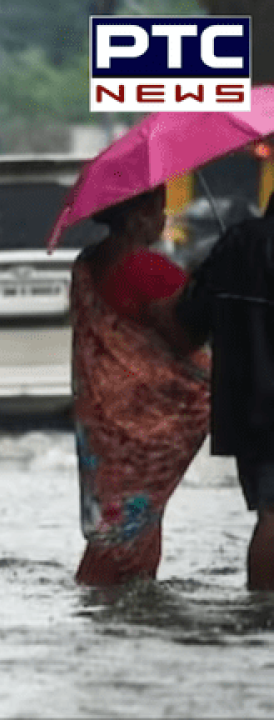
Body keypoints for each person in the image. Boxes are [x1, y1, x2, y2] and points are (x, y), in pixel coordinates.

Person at [68, 185, 211, 586]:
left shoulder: (87, 262)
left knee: (120, 518)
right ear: (135, 215)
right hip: (147, 419)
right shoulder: (145, 269)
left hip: (104, 418)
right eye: (157, 210)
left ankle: (108, 599)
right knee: (133, 521)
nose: (162, 220)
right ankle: (120, 596)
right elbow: (184, 337)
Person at [174, 191, 274, 591]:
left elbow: (189, 324)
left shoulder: (235, 243)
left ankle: (260, 616)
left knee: (269, 512)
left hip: (248, 406)